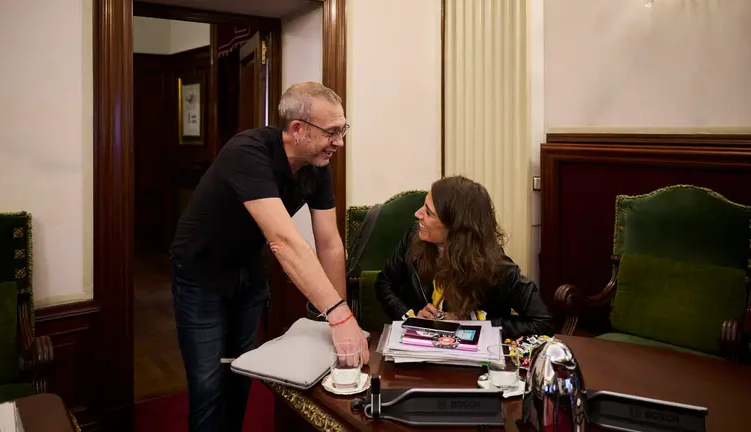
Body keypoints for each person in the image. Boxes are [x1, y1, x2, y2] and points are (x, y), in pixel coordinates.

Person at [169, 82, 369, 432]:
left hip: (248, 273)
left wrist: (336, 315)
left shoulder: (318, 164)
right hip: (201, 274)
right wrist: (339, 318)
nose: (340, 142)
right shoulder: (246, 151)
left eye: (343, 130)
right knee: (208, 384)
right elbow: (285, 242)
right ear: (297, 130)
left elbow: (330, 243)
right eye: (332, 132)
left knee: (240, 372)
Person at [374, 176, 553, 340]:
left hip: (472, 367)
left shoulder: (497, 267)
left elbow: (543, 322)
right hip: (419, 358)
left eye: (428, 213)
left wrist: (476, 322)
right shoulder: (414, 236)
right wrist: (411, 319)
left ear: (456, 229)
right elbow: (384, 283)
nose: (418, 214)